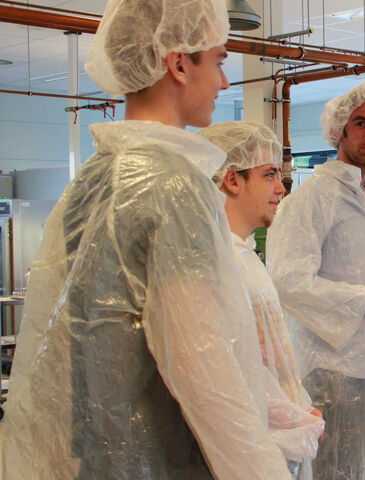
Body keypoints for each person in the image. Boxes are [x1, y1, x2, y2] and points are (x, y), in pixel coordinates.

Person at [1, 0, 293, 478]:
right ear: (179, 63)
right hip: (159, 458)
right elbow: (204, 370)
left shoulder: (93, 176)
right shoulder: (175, 184)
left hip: (96, 454)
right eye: (218, 61)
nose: (224, 82)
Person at [267, 78, 365, 480]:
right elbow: (287, 281)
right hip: (333, 373)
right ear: (340, 130)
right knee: (334, 472)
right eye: (361, 123)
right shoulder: (311, 198)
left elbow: (352, 271)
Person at [198, 121, 326, 479]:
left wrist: (296, 412)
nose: (281, 188)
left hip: (274, 442)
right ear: (232, 179)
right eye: (270, 175)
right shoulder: (220, 263)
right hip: (250, 452)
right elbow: (227, 379)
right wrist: (292, 418)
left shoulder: (243, 255)